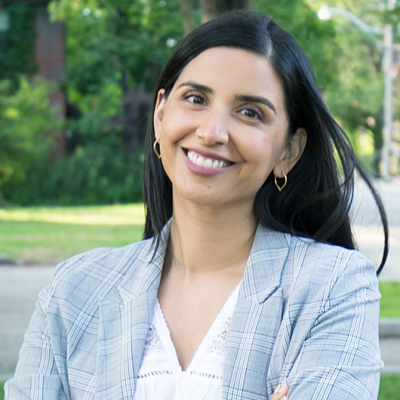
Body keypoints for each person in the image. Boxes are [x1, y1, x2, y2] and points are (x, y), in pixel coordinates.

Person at [6, 10, 388, 400]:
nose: (211, 132)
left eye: (250, 113)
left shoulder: (334, 287)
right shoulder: (74, 291)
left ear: (289, 151)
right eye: (195, 98)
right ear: (160, 115)